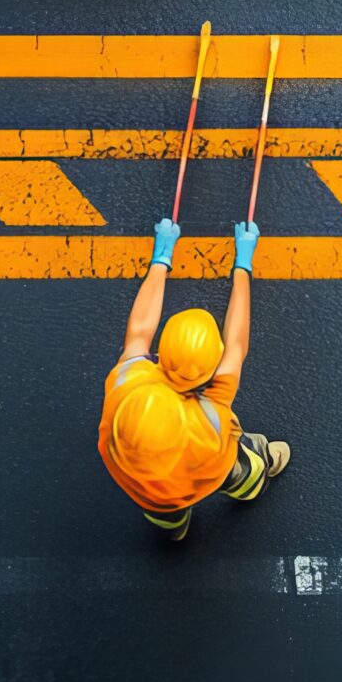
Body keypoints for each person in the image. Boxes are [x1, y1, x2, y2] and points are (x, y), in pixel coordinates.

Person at [99, 218, 289, 539]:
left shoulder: (130, 382)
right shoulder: (211, 414)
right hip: (207, 474)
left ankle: (173, 525)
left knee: (163, 511)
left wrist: (161, 257)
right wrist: (242, 265)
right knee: (244, 467)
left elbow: (139, 330)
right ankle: (251, 482)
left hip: (143, 490)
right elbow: (237, 343)